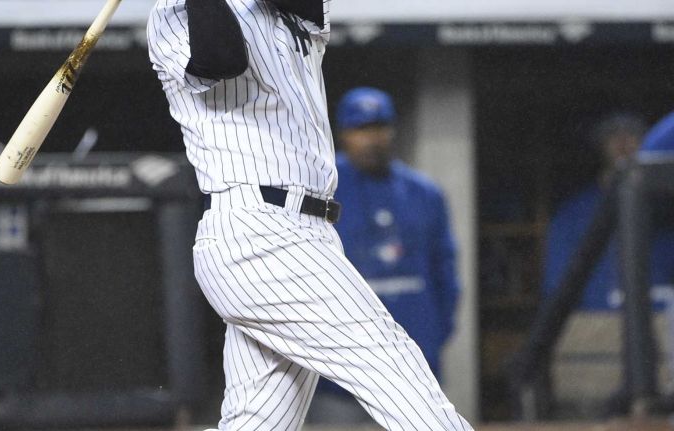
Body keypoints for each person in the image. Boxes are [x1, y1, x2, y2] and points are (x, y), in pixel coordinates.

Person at [147, 1, 473, 430]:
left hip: (310, 229)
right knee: (386, 360)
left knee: (258, 421)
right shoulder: (174, 11)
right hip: (257, 231)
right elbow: (222, 60)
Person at [306, 87, 461, 424]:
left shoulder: (423, 192)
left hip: (413, 370)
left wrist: (433, 337)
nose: (371, 139)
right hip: (338, 372)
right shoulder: (320, 190)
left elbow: (445, 273)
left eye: (378, 127)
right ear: (343, 133)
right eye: (360, 129)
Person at [542, 112, 674, 311]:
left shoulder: (665, 210)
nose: (623, 141)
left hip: (662, 329)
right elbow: (556, 292)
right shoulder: (572, 216)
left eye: (632, 133)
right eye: (613, 134)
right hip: (593, 331)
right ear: (600, 143)